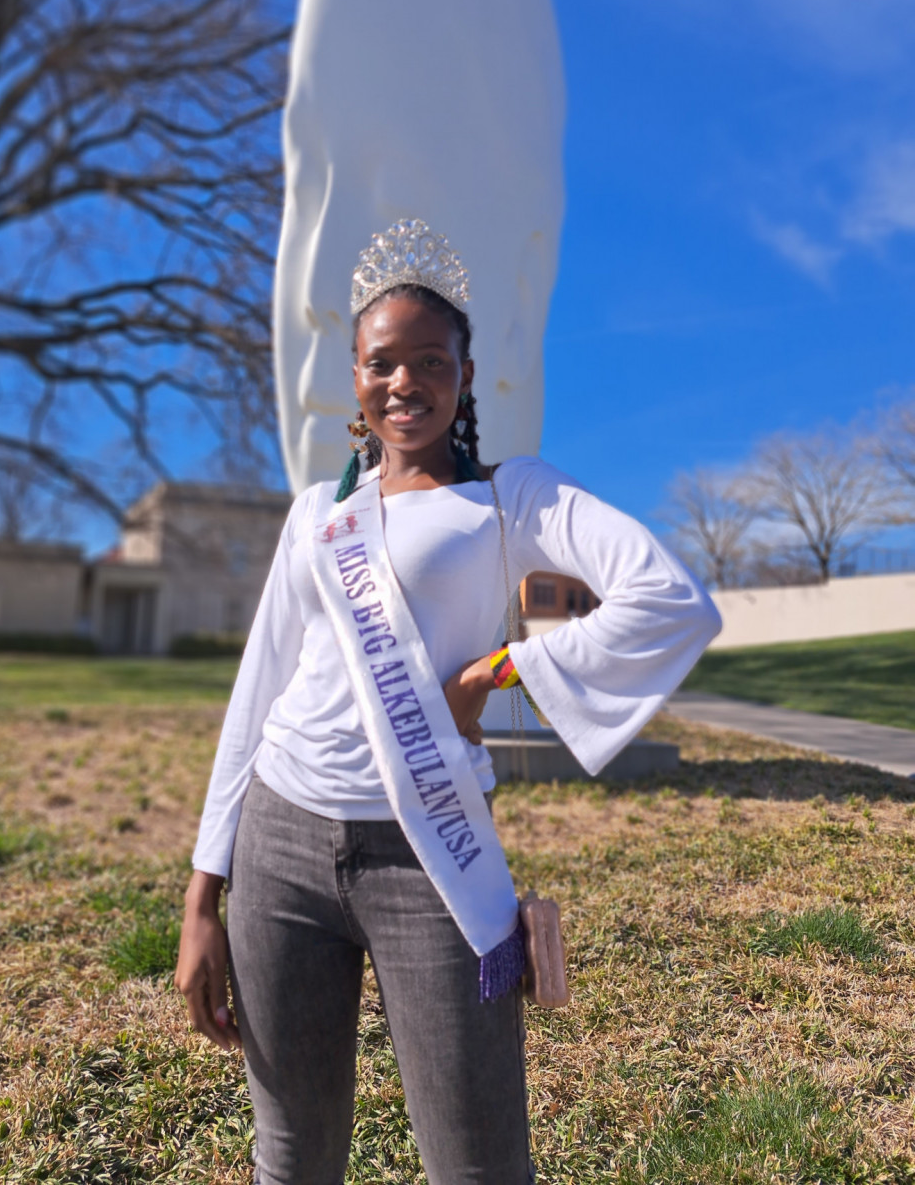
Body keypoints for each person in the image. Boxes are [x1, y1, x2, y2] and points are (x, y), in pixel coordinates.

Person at [176, 219, 721, 1185]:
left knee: (476, 1161)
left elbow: (668, 596)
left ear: (466, 376)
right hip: (282, 839)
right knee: (292, 1153)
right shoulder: (318, 515)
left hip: (431, 851)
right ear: (354, 376)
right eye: (383, 363)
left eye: (431, 362)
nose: (405, 383)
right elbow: (258, 685)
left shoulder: (511, 499)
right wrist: (202, 892)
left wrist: (496, 673)